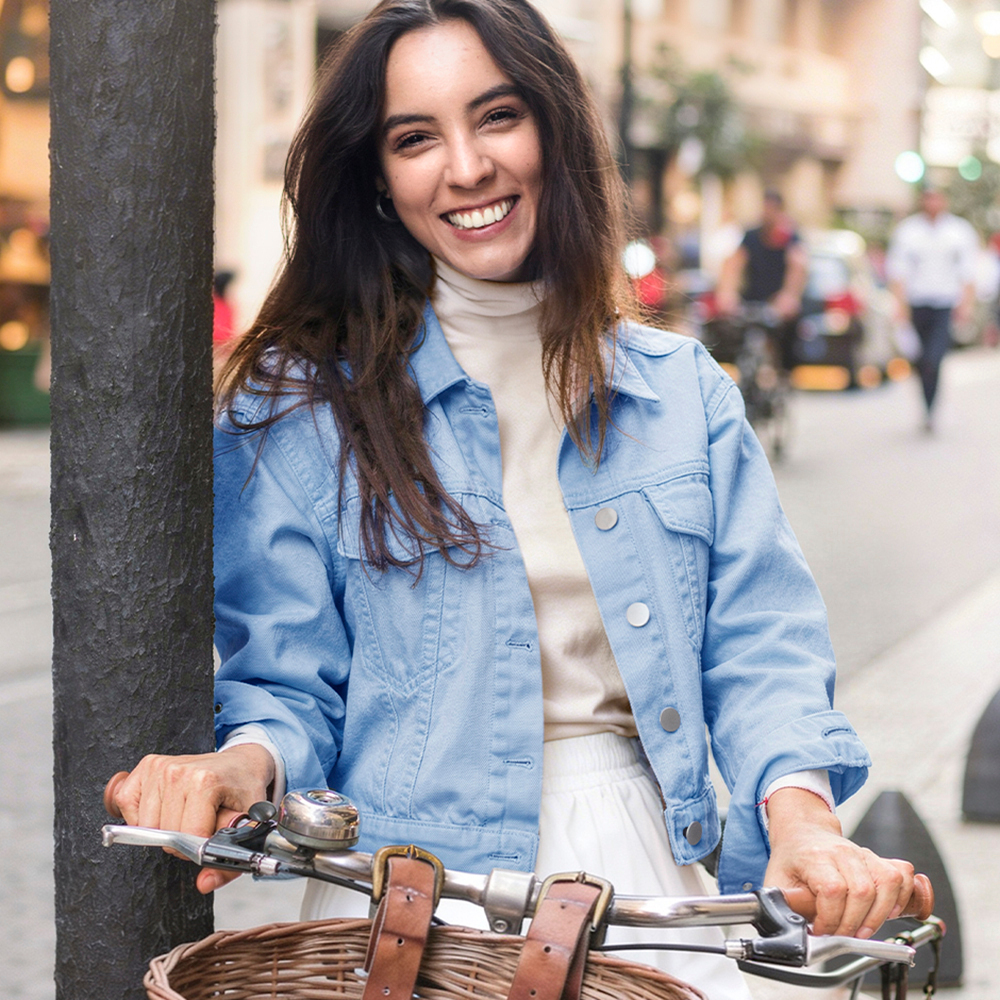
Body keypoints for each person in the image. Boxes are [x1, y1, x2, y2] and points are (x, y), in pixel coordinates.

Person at [108, 1, 916, 994]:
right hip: (410, 898)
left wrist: (803, 823)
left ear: (553, 129)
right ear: (376, 176)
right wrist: (240, 765)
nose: (465, 166)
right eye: (415, 137)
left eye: (496, 117)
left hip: (641, 878)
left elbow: (759, 646)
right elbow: (286, 679)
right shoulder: (302, 404)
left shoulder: (680, 392)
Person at [886, 185, 978, 431]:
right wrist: (900, 305)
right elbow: (898, 272)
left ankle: (931, 408)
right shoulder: (908, 231)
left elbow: (968, 273)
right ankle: (927, 407)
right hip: (917, 304)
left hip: (944, 304)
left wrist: (966, 305)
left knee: (933, 358)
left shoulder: (959, 231)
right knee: (920, 360)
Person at [715, 189, 808, 370]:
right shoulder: (751, 236)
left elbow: (797, 268)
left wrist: (789, 296)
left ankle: (784, 373)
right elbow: (733, 265)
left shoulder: (790, 237)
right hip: (752, 299)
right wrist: (726, 294)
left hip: (777, 303)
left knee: (786, 340)